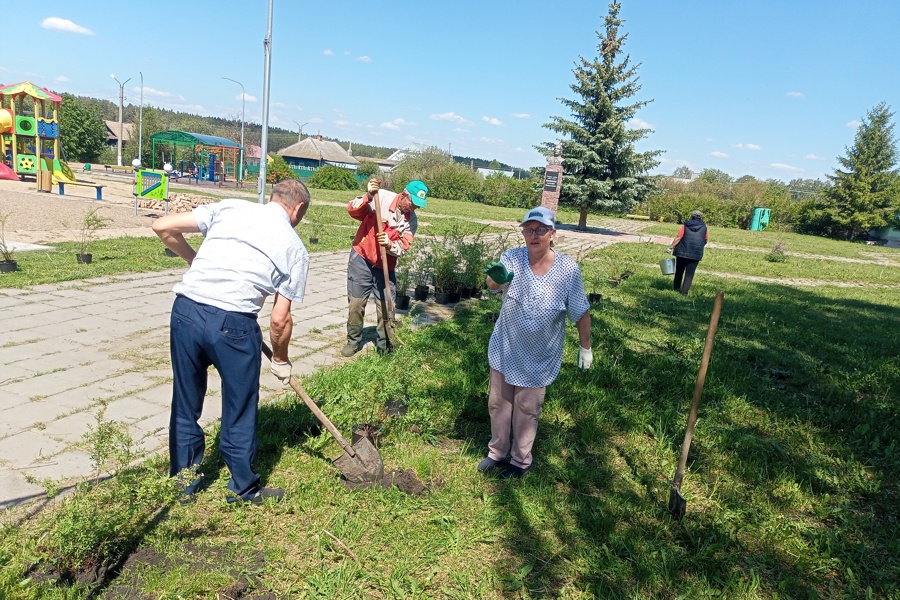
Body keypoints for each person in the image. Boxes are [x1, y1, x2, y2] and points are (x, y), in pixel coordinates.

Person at [151, 179, 311, 504]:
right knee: (239, 408)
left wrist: (195, 261)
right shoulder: (295, 249)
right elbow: (279, 320)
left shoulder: (229, 208)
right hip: (234, 325)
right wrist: (280, 360)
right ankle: (242, 488)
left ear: (271, 197)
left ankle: (182, 485)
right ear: (299, 209)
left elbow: (163, 226)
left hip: (186, 311)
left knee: (185, 401)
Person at [478, 206, 593, 479]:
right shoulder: (513, 258)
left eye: (541, 229)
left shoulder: (567, 269)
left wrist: (585, 346)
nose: (534, 235)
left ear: (553, 234)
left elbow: (580, 310)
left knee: (527, 409)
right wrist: (495, 279)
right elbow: (491, 285)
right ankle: (497, 452)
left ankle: (520, 460)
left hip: (539, 354)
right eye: (528, 229)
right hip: (506, 347)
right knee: (498, 403)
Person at [341, 178, 428, 356]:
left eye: (418, 205)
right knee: (356, 304)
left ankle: (385, 345)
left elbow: (404, 247)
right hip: (362, 259)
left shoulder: (411, 221)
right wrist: (368, 196)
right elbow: (352, 209)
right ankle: (353, 340)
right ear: (404, 195)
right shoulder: (380, 198)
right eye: (413, 203)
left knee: (386, 306)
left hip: (385, 266)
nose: (414, 208)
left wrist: (389, 244)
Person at [667, 209, 708, 296]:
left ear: (691, 216)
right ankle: (684, 292)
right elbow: (705, 240)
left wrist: (671, 247)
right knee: (690, 273)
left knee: (679, 270)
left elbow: (678, 237)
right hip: (695, 254)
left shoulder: (685, 226)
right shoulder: (704, 228)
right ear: (701, 218)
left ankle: (676, 288)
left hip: (682, 252)